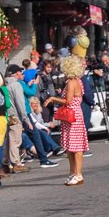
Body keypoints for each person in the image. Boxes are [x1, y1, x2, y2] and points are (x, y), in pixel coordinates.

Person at [44, 55, 87, 186]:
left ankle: (78, 174)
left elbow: (67, 101)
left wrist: (52, 98)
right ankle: (73, 173)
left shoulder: (71, 82)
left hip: (72, 115)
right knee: (70, 146)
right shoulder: (77, 81)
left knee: (75, 146)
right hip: (73, 114)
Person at [6, 64, 58, 168]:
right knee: (35, 135)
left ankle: (12, 162)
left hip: (19, 114)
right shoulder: (17, 84)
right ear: (17, 73)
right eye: (21, 72)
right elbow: (26, 97)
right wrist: (35, 84)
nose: (22, 74)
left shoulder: (9, 83)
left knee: (28, 136)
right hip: (23, 113)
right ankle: (43, 159)